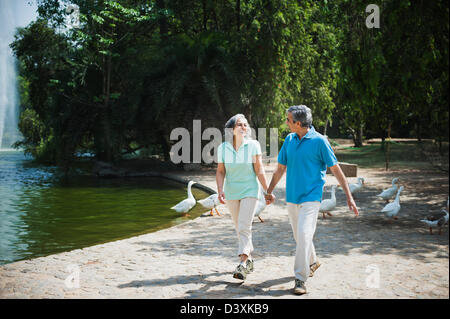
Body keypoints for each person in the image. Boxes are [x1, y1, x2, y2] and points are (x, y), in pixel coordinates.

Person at [264, 105, 359, 295]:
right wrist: (269, 190)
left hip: (312, 197)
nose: (286, 123)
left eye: (288, 120)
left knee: (304, 234)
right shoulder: (289, 140)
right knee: (300, 236)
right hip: (292, 197)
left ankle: (300, 278)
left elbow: (336, 169)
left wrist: (349, 196)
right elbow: (280, 168)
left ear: (298, 123)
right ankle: (313, 261)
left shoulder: (320, 141)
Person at [216, 114, 270, 280]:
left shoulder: (253, 145)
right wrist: (219, 190)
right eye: (239, 124)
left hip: (250, 190)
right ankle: (250, 260)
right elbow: (220, 171)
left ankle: (242, 263)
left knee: (244, 225)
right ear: (231, 129)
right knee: (239, 228)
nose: (243, 127)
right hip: (231, 192)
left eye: (245, 125)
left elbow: (259, 170)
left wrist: (268, 190)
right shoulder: (223, 148)